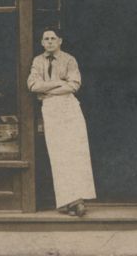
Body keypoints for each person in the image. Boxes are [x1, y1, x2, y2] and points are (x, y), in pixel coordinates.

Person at [28, 27, 96, 216]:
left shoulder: (69, 59)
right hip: (50, 111)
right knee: (58, 155)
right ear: (42, 42)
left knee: (75, 152)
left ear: (60, 41)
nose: (49, 41)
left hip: (69, 108)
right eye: (46, 38)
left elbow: (74, 85)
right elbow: (33, 85)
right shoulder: (37, 61)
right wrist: (59, 83)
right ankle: (68, 202)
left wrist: (47, 89)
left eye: (53, 38)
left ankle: (77, 199)